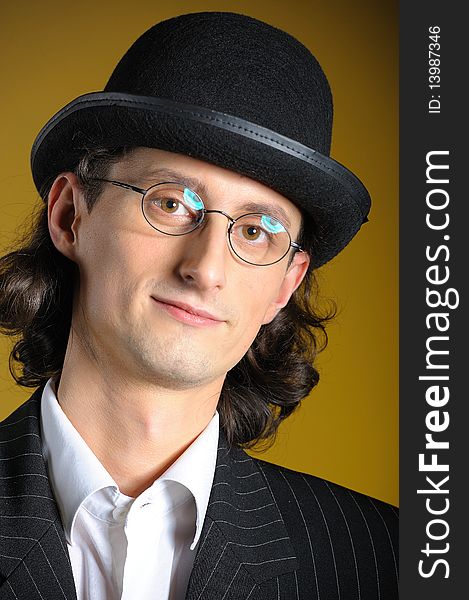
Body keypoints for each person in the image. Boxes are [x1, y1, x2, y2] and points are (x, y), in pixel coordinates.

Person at [0, 11, 398, 600]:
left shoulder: (384, 559)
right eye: (171, 204)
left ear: (286, 284)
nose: (206, 269)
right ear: (70, 215)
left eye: (258, 230)